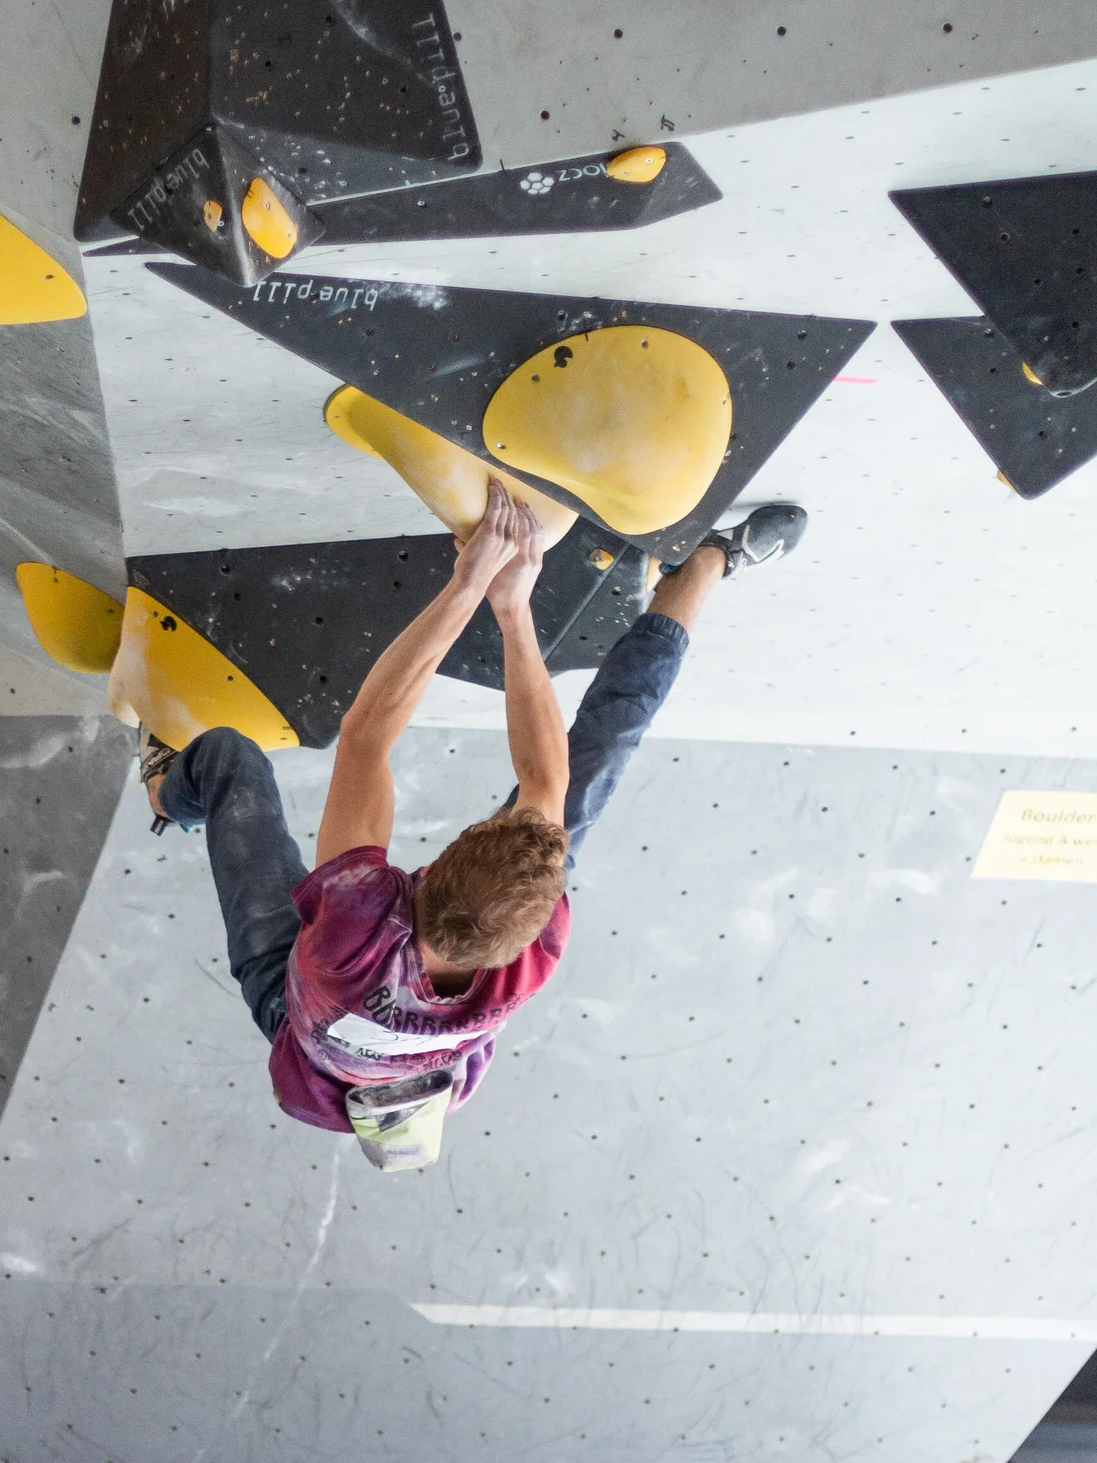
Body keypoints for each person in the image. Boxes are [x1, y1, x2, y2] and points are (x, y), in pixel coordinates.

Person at [143, 486, 806, 1169]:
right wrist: (513, 614)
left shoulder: (355, 923)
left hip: (300, 1007)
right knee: (606, 745)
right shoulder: (530, 947)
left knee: (227, 760)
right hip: (409, 1051)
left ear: (421, 874)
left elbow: (366, 735)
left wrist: (474, 584)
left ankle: (164, 791)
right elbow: (546, 784)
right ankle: (706, 566)